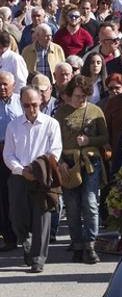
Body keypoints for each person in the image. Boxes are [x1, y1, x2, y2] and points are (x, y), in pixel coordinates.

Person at [3, 86, 62, 273]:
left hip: (42, 177)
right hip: (19, 177)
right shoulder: (13, 126)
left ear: (41, 103)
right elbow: (8, 154)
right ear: (21, 105)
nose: (31, 109)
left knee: (42, 219)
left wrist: (38, 168)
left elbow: (55, 151)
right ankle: (26, 241)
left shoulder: (51, 124)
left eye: (34, 105)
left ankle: (38, 258)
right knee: (18, 217)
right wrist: (21, 170)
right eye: (26, 105)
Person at [54, 75, 108, 264]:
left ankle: (90, 244)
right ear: (69, 95)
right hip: (68, 163)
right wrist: (60, 161)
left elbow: (104, 137)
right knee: (72, 206)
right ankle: (77, 245)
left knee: (90, 202)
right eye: (77, 96)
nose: (80, 100)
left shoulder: (96, 111)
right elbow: (53, 141)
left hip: (90, 162)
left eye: (84, 96)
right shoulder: (61, 113)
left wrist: (89, 141)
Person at [0, 72, 21, 252]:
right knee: (3, 198)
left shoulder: (21, 102)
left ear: (13, 85)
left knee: (18, 196)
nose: (2, 88)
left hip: (18, 154)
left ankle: (24, 233)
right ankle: (9, 238)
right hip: (0, 154)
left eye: (5, 84)